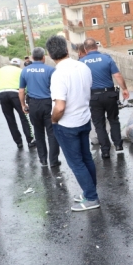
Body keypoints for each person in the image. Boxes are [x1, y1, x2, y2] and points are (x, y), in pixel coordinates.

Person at [46, 35, 99, 212]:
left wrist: (53, 120)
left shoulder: (58, 74)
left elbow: (60, 106)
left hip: (67, 125)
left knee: (76, 162)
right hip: (84, 119)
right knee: (86, 158)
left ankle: (91, 198)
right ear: (67, 50)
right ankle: (90, 192)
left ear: (50, 55)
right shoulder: (83, 67)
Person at [80, 37, 130, 158]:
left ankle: (105, 150)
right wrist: (124, 89)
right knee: (113, 119)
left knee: (99, 124)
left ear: (86, 50)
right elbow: (117, 75)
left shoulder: (82, 63)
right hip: (109, 95)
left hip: (94, 97)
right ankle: (118, 145)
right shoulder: (106, 58)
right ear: (96, 47)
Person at [19, 47, 60, 168]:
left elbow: (21, 91)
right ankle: (53, 160)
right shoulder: (51, 70)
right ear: (43, 57)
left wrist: (23, 105)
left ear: (32, 57)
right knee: (52, 132)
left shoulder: (25, 71)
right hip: (48, 103)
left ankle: (43, 160)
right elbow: (57, 89)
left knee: (38, 132)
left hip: (33, 104)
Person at [0, 57, 35, 149]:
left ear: (10, 63)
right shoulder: (21, 71)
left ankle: (18, 142)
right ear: (18, 65)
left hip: (3, 95)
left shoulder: (2, 69)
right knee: (24, 117)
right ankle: (30, 141)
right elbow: (26, 86)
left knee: (10, 120)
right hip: (16, 94)